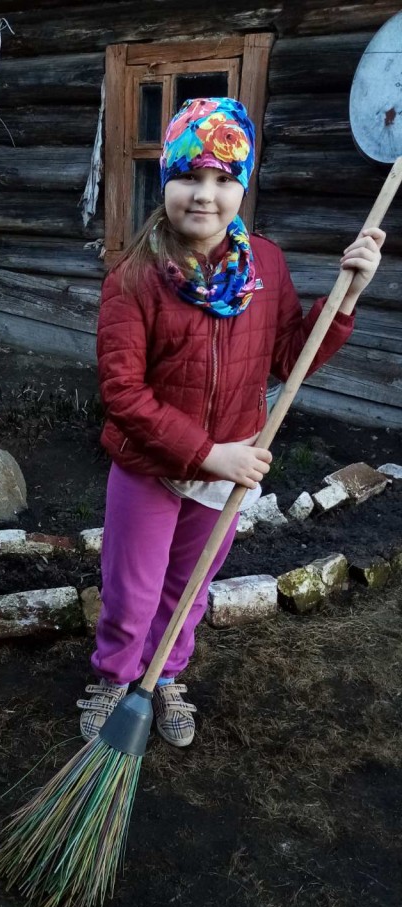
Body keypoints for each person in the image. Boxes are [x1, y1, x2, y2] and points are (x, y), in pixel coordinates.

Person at [78, 96, 384, 747]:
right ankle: (114, 676)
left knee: (187, 589)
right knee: (131, 591)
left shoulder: (265, 266)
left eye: (223, 178)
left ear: (242, 186)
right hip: (152, 464)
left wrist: (347, 296)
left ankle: (163, 677)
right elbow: (123, 394)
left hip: (230, 466)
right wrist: (207, 453)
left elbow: (288, 358)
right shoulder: (134, 278)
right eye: (190, 175)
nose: (205, 195)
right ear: (167, 180)